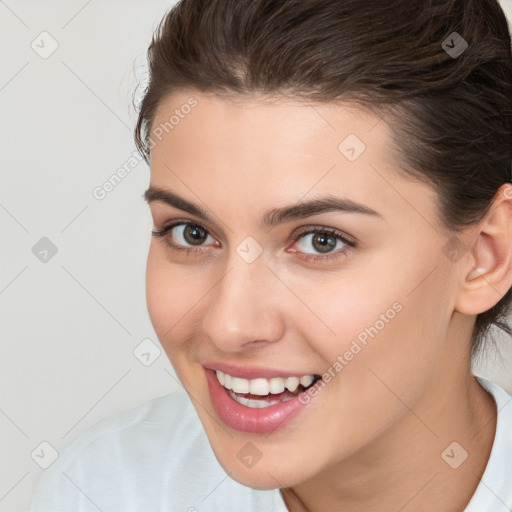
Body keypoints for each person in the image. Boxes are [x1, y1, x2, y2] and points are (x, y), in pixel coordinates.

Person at [29, 0, 512, 510]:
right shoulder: (104, 490)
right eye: (192, 233)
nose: (229, 326)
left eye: (320, 241)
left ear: (485, 255)